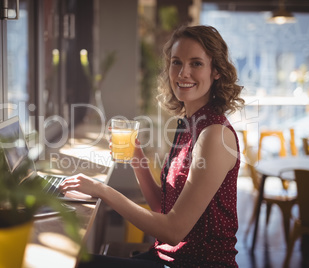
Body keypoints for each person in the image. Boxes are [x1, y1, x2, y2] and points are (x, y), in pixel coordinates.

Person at [60, 24, 244, 267]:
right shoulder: (189, 125)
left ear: (217, 71)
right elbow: (162, 207)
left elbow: (174, 230)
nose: (183, 73)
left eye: (196, 63)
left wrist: (102, 190)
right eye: (176, 62)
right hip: (166, 257)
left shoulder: (214, 135)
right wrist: (137, 156)